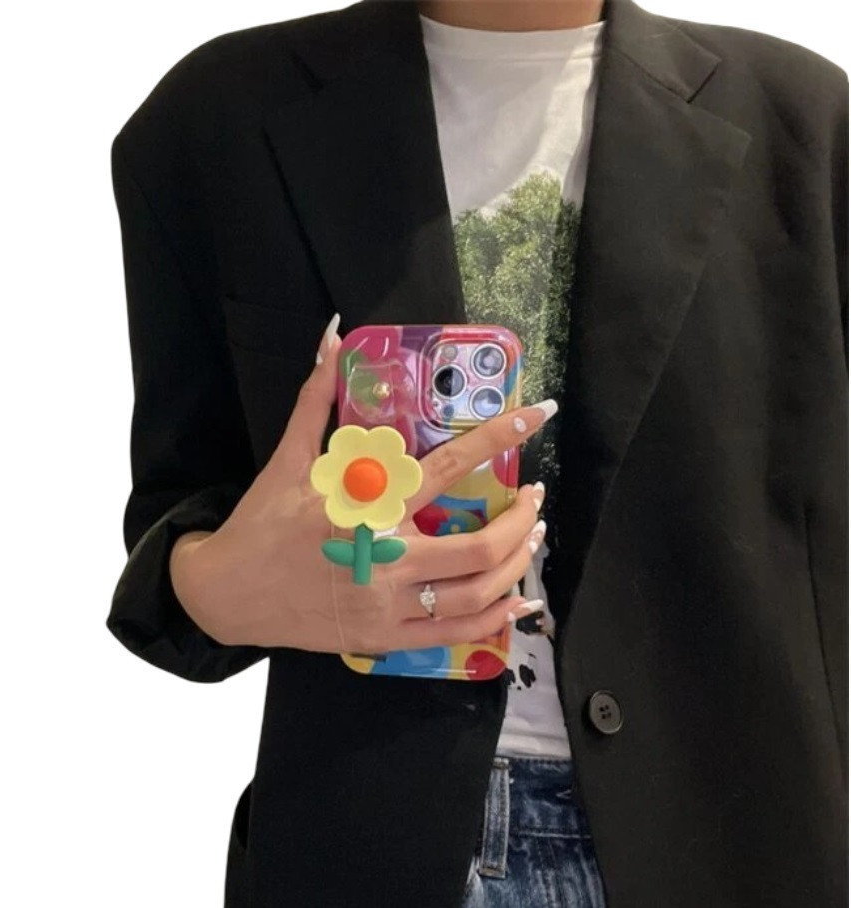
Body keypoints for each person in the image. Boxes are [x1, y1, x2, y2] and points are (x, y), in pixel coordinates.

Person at [106, 0, 848, 905]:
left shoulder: (808, 125)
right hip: (365, 839)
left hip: (735, 832)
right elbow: (181, 505)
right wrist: (221, 586)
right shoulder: (215, 119)